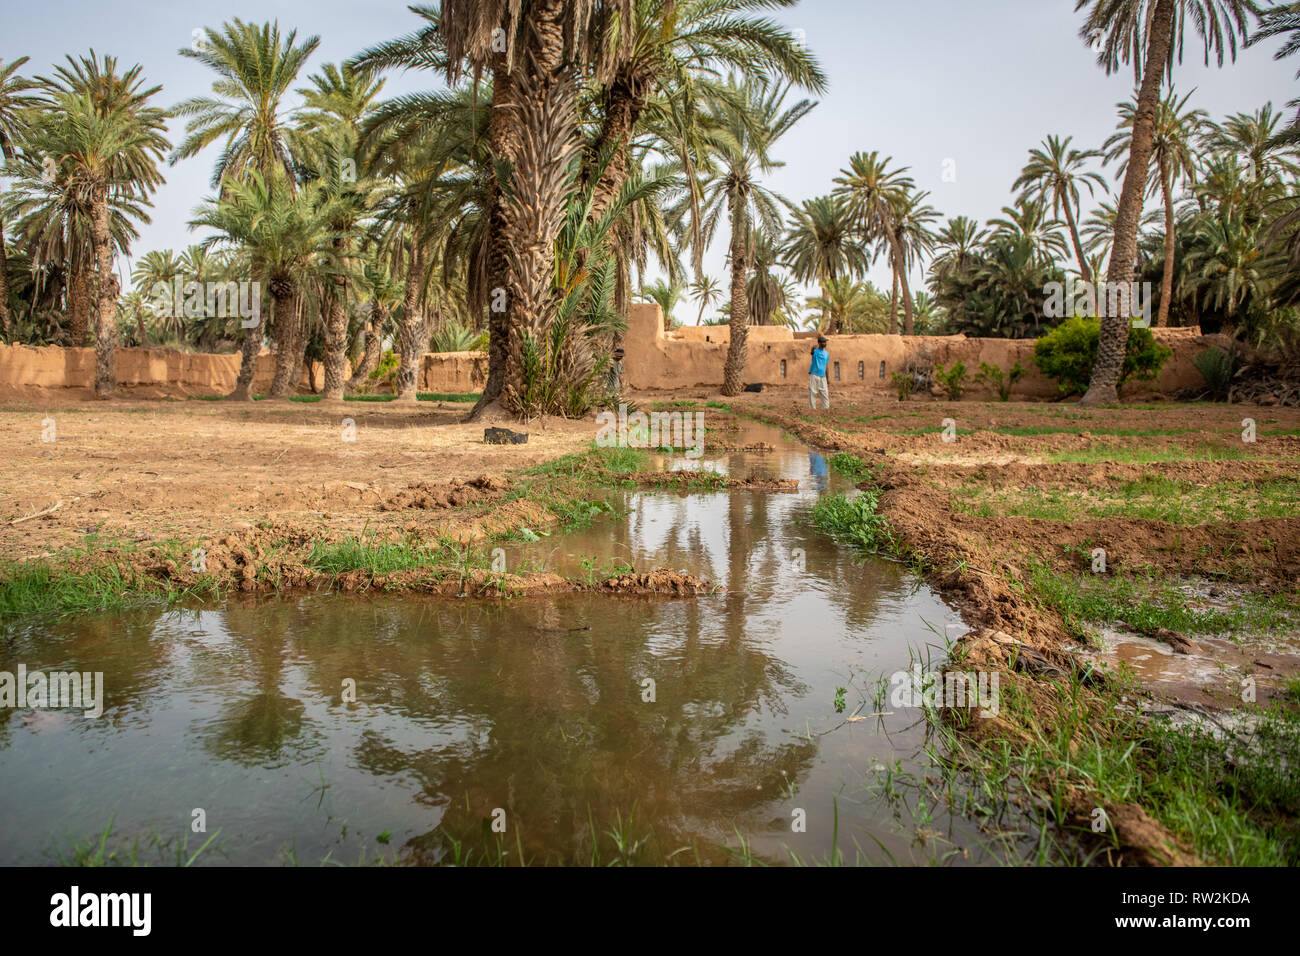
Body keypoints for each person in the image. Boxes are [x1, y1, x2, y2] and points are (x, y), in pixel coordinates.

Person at [808, 335, 830, 409]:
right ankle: (812, 409)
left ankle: (826, 409)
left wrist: (828, 378)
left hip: (823, 376)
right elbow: (811, 352)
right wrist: (813, 348)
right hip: (814, 374)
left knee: (825, 393)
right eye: (824, 342)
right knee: (812, 392)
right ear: (819, 343)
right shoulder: (815, 351)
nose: (825, 343)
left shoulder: (826, 353)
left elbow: (826, 366)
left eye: (825, 342)